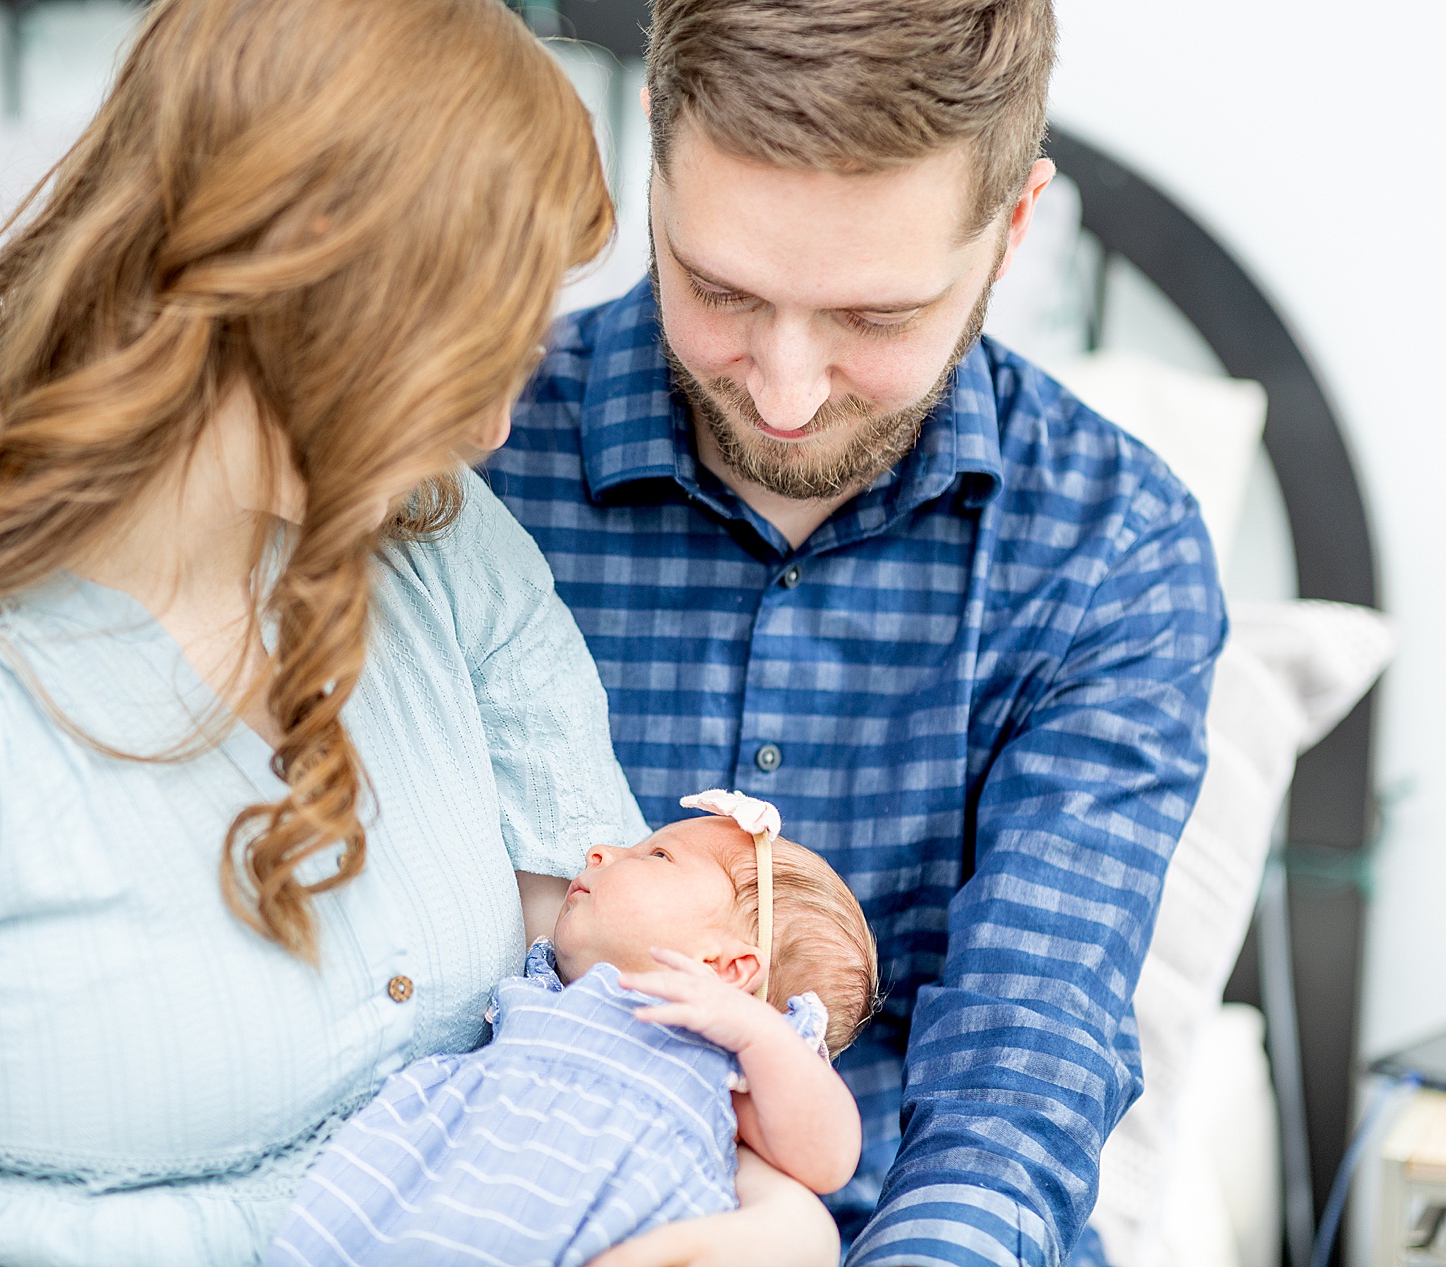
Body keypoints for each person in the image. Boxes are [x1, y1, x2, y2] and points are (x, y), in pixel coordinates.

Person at [0, 1, 840, 1264]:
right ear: (306, 294)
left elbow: (629, 1008)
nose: (491, 434)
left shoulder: (437, 540)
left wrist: (775, 1227)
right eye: (472, 355)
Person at [484, 2, 1229, 1265]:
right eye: (719, 287)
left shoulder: (1112, 546)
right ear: (652, 156)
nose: (781, 391)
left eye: (873, 320)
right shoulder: (469, 458)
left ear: (1013, 227)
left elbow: (1023, 1056)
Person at [265, 791, 879, 1267]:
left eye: (657, 856)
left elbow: (826, 1160)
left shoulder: (725, 1047)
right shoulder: (552, 984)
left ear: (727, 967)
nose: (601, 851)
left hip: (594, 1227)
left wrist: (756, 1033)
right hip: (442, 1194)